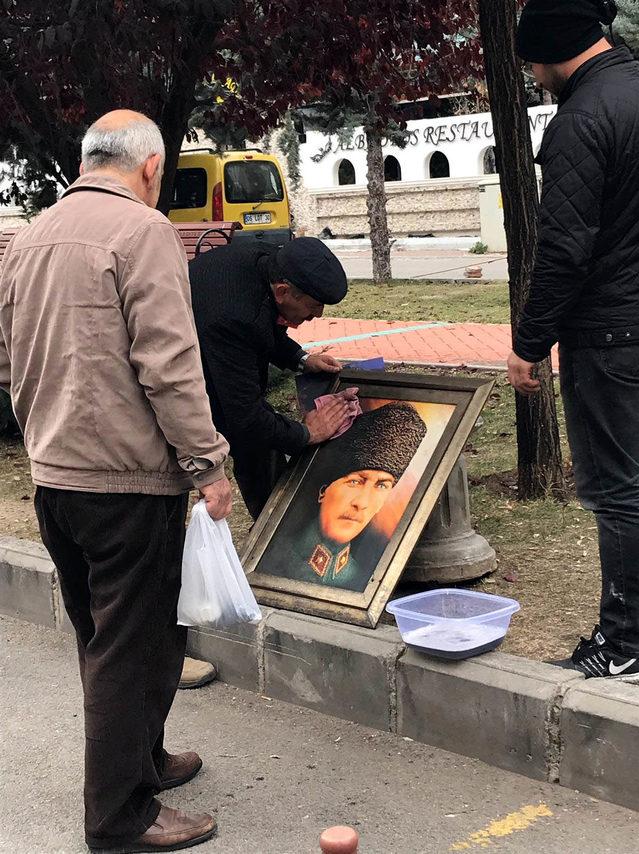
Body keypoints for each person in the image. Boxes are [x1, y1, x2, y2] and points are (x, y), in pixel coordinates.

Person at [0, 110, 232, 851]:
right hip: (126, 481)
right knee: (131, 645)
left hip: (54, 475)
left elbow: (11, 356)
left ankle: (144, 762)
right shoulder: (144, 233)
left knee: (114, 638)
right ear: (151, 169)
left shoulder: (29, 235)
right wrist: (209, 464)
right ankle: (119, 816)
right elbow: (169, 364)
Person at [510, 0, 639, 679]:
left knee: (618, 490)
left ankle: (625, 643)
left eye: (531, 63)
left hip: (611, 334)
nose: (532, 76)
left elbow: (563, 248)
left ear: (554, 49)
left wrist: (530, 344)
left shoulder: (581, 120)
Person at [189, 236, 350, 521]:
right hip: (187, 378)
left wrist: (301, 359)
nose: (318, 315)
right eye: (313, 306)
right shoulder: (234, 317)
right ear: (282, 290)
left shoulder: (267, 261)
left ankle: (278, 522)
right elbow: (246, 417)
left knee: (264, 446)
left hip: (213, 337)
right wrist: (308, 433)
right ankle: (276, 529)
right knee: (257, 439)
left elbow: (265, 324)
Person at [266, 403, 427, 592]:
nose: (362, 503)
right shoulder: (275, 556)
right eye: (355, 482)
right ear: (323, 491)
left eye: (381, 485)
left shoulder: (359, 577)